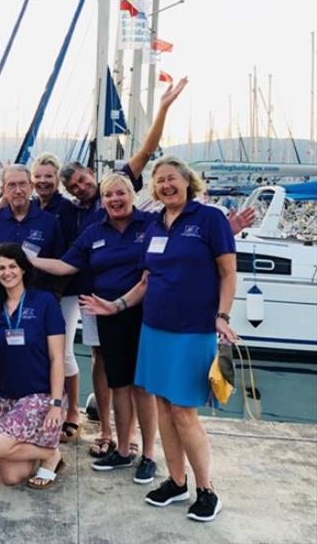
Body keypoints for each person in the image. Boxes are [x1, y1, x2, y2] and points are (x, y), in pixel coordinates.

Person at [80, 156, 238, 522]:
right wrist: (116, 306)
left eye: (172, 179)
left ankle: (206, 489)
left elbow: (228, 274)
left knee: (184, 411)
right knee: (164, 408)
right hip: (154, 328)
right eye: (160, 181)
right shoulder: (154, 225)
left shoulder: (209, 218)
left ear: (187, 181)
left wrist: (223, 316)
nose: (166, 185)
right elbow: (147, 281)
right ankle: (177, 481)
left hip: (193, 330)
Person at [59, 78, 188, 457]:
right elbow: (66, 257)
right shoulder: (80, 214)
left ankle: (133, 441)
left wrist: (162, 108)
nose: (84, 186)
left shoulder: (118, 187)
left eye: (85, 179)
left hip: (136, 300)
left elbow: (148, 151)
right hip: (95, 299)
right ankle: (108, 431)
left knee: (133, 375)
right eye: (77, 185)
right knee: (103, 362)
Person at [31, 173, 159, 484]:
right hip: (107, 314)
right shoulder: (93, 231)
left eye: (120, 193)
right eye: (109, 195)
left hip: (145, 314)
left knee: (142, 386)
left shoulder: (151, 224)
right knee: (119, 385)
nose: (115, 199)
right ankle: (125, 450)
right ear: (102, 201)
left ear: (131, 194)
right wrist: (27, 260)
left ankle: (149, 456)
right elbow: (65, 266)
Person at [0, 243, 66, 489]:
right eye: (1, 268)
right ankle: (47, 451)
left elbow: (57, 358)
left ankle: (50, 454)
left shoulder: (45, 302)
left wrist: (55, 404)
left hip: (42, 395)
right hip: (11, 398)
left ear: (23, 268)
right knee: (11, 477)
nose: (7, 272)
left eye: (13, 265)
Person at [30, 153, 81, 439]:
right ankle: (46, 406)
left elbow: (71, 256)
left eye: (48, 176)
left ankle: (72, 410)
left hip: (64, 293)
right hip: (36, 292)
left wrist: (57, 295)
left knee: (64, 353)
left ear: (57, 178)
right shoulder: (33, 206)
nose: (42, 181)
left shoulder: (68, 210)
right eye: (38, 176)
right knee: (41, 352)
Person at [0, 164, 65, 294]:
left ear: (31, 187)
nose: (18, 190)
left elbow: (60, 264)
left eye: (22, 184)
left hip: (38, 298)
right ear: (3, 189)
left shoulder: (50, 223)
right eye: (11, 185)